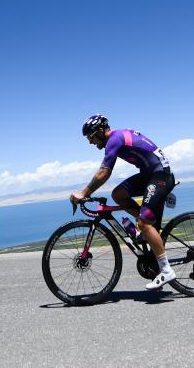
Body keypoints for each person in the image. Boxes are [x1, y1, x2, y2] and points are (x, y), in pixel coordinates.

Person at [71, 115, 176, 290]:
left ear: (100, 131)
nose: (90, 142)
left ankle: (166, 270)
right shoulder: (117, 137)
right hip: (150, 175)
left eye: (91, 137)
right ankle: (147, 225)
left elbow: (104, 172)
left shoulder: (115, 139)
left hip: (160, 175)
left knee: (144, 223)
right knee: (118, 194)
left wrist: (84, 193)